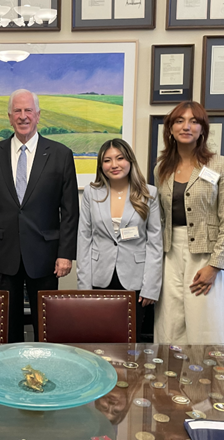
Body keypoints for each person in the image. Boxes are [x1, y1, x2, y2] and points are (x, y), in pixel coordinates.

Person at [0, 89, 79, 342]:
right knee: (7, 324)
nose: (23, 116)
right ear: (10, 117)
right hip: (3, 251)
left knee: (46, 323)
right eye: (17, 111)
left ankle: (45, 370)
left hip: (45, 252)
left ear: (38, 115)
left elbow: (69, 210)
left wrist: (66, 254)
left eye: (28, 111)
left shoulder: (60, 154)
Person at [153, 101, 224, 345]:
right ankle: (170, 380)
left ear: (203, 128)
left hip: (206, 255)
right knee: (171, 323)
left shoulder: (221, 165)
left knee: (206, 323)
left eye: (194, 121)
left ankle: (209, 382)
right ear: (170, 128)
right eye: (179, 121)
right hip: (169, 254)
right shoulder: (161, 168)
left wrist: (215, 266)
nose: (186, 126)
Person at [77, 138, 162, 342]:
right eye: (107, 160)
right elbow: (84, 238)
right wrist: (83, 287)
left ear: (130, 161)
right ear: (101, 165)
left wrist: (151, 287)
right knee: (97, 338)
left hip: (135, 279)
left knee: (131, 341)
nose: (114, 165)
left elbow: (155, 243)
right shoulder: (91, 192)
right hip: (99, 277)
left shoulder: (149, 193)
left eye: (119, 158)